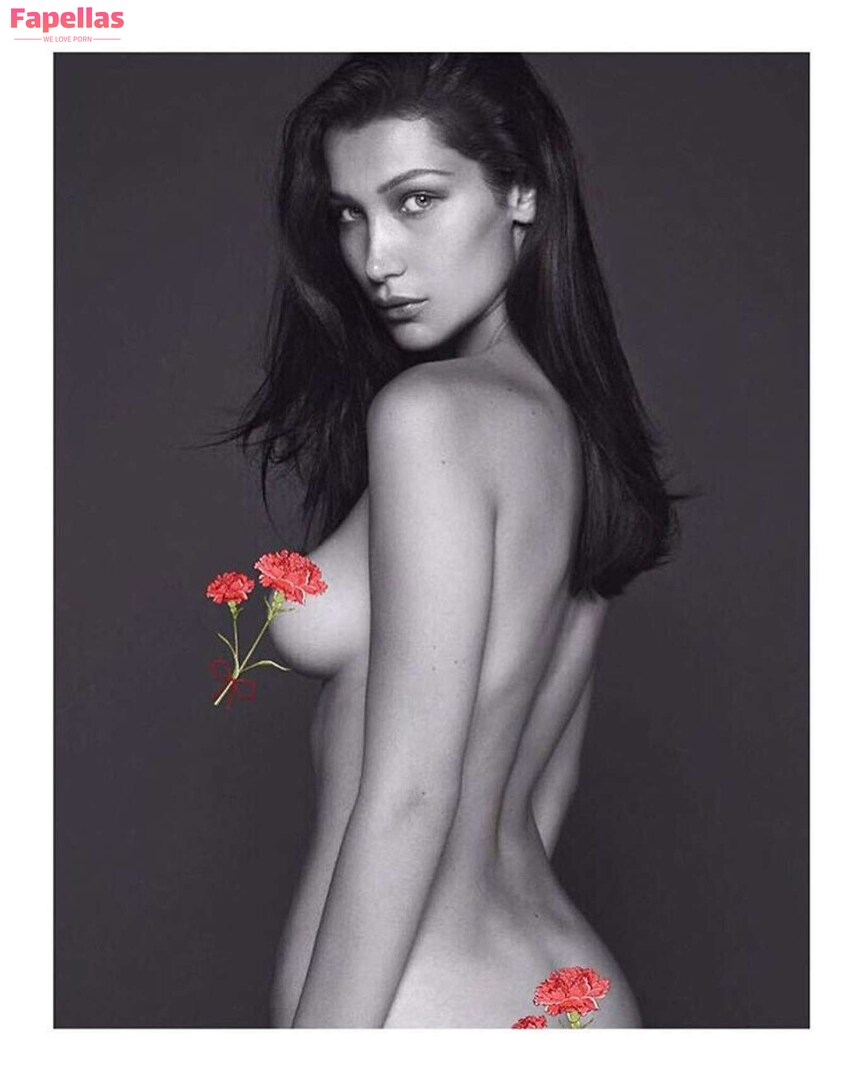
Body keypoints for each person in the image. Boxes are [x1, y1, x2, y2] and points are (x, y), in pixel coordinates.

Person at [217, 53, 682, 1028]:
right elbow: (544, 785)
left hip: (423, 1002)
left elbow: (412, 794)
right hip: (555, 986)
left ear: (521, 193)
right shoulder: (576, 435)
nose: (375, 257)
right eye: (350, 214)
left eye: (416, 200)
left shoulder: (431, 414)